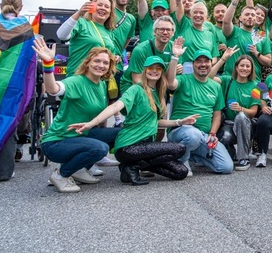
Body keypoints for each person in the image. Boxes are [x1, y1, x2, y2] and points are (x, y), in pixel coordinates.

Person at [68, 56, 194, 185]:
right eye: (151, 68)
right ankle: (132, 167)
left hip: (144, 148)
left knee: (180, 172)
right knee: (179, 148)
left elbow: (155, 122)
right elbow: (116, 106)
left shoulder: (158, 92)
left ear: (162, 72)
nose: (154, 71)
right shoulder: (136, 89)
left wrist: (180, 122)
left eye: (158, 69)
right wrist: (91, 124)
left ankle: (131, 167)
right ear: (145, 70)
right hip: (129, 147)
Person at [33, 42, 120, 193]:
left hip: (81, 134)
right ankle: (61, 175)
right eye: (97, 61)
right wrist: (48, 64)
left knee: (120, 133)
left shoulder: (100, 84)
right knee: (100, 148)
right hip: (57, 142)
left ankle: (78, 168)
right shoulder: (77, 81)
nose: (101, 65)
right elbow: (53, 89)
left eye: (106, 62)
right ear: (87, 63)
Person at [166, 39, 233, 175]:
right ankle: (181, 161)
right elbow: (170, 83)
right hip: (180, 132)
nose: (203, 64)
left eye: (206, 61)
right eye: (199, 61)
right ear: (193, 64)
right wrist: (175, 57)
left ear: (210, 63)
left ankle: (192, 155)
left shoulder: (215, 86)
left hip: (204, 136)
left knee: (226, 167)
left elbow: (217, 114)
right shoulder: (184, 80)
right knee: (193, 135)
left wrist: (213, 134)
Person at [0, 0, 36, 182]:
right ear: (20, 7)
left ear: (1, 4)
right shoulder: (25, 29)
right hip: (12, 85)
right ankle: (3, 171)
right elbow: (29, 64)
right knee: (7, 120)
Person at [209, 49, 262, 171]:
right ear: (236, 68)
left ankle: (244, 158)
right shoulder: (227, 80)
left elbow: (253, 112)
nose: (245, 69)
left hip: (247, 125)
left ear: (251, 69)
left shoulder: (256, 85)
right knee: (225, 138)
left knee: (241, 116)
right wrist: (223, 59)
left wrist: (241, 109)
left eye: (248, 66)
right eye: (242, 65)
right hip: (228, 124)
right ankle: (230, 152)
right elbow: (209, 77)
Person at [169, 0, 220, 72]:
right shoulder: (183, 23)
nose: (198, 15)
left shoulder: (209, 33)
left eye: (201, 13)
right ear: (191, 14)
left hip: (204, 72)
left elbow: (215, 57)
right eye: (195, 13)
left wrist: (205, 65)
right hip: (185, 72)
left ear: (206, 15)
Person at [56, 0, 120, 75]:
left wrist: (115, 58)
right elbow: (61, 35)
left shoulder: (109, 32)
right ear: (92, 7)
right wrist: (79, 13)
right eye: (99, 5)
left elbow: (109, 57)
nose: (102, 8)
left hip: (99, 81)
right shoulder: (82, 23)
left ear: (110, 12)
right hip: (78, 79)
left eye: (107, 7)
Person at [223, 0, 272, 80]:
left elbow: (268, 62)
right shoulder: (234, 32)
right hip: (232, 80)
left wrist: (256, 53)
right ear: (240, 18)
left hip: (253, 81)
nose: (250, 17)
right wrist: (235, 0)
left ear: (256, 19)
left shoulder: (261, 35)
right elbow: (226, 21)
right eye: (247, 15)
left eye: (253, 15)